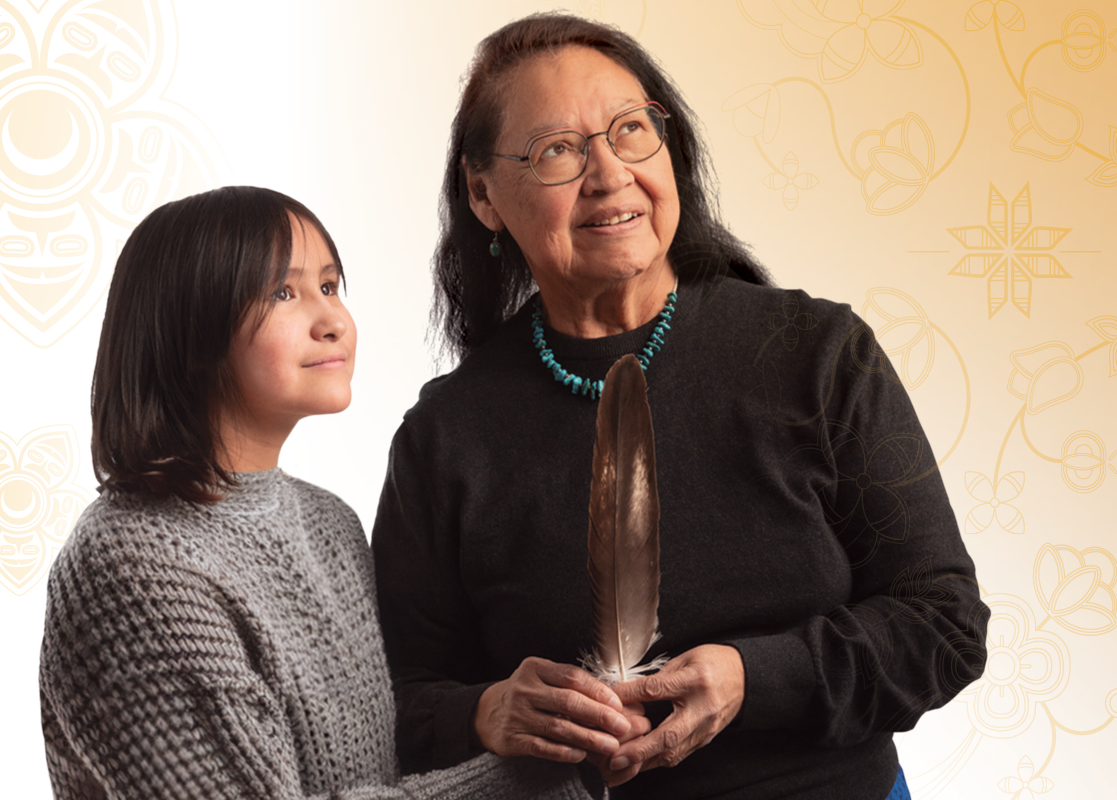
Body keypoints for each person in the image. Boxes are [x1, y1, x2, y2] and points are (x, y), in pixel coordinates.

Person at [371, 13, 989, 800]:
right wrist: (487, 712)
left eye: (630, 130)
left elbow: (945, 624)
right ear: (483, 194)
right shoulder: (446, 436)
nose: (608, 173)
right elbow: (393, 703)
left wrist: (751, 677)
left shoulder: (817, 352)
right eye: (557, 150)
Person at [37, 186, 597, 800]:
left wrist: (495, 718)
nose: (332, 321)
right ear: (190, 332)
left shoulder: (330, 523)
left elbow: (379, 770)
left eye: (330, 287)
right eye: (283, 293)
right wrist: (535, 777)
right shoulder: (133, 565)